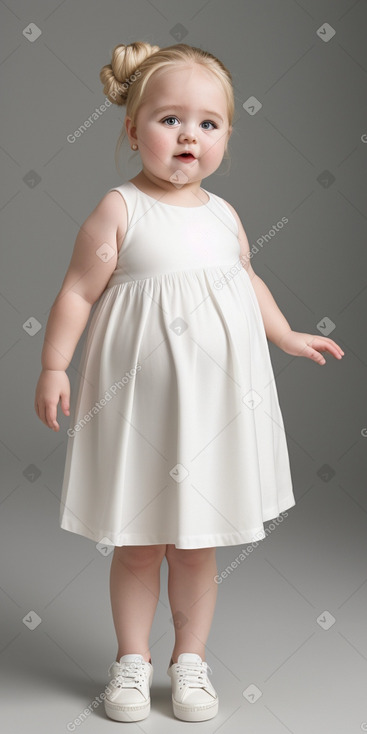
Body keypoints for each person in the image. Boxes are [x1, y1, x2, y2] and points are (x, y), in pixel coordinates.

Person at [34, 41, 345, 724]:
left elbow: (246, 280)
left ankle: (190, 663)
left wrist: (285, 333)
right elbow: (78, 294)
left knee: (197, 545)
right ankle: (132, 662)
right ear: (131, 127)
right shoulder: (121, 208)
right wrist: (54, 364)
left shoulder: (224, 215)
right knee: (141, 545)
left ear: (227, 136)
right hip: (139, 406)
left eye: (208, 124)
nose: (188, 136)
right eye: (169, 119)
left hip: (212, 411)